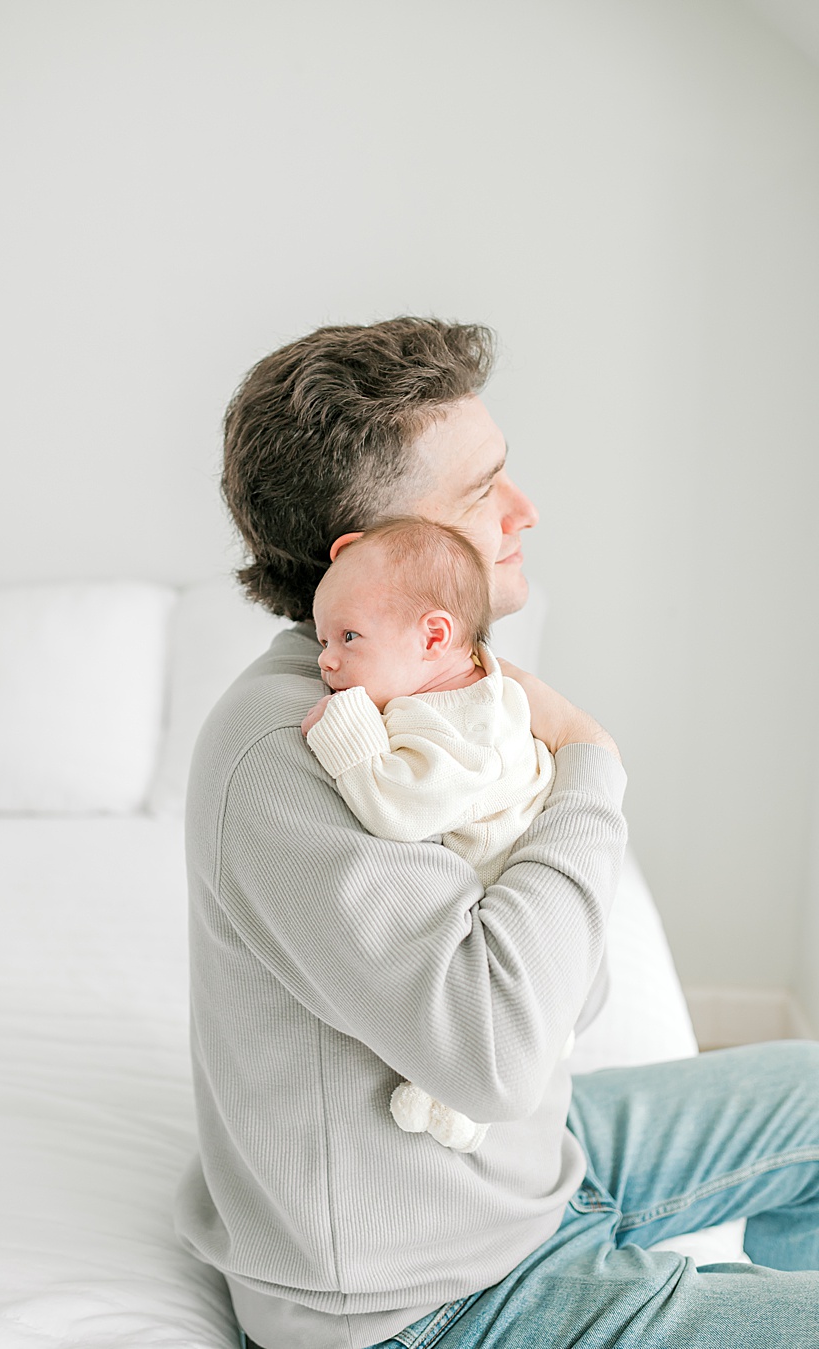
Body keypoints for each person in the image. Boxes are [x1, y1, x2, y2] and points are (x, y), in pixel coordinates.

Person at [176, 317, 819, 1349]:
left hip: (519, 1169)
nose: (525, 510)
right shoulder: (297, 754)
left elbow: (573, 995)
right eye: (481, 493)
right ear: (371, 558)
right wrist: (590, 766)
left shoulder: (432, 696)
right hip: (427, 1297)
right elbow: (499, 1051)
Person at [300, 517, 557, 1154]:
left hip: (506, 911)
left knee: (468, 1017)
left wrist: (348, 736)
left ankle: (456, 1097)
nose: (326, 658)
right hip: (497, 898)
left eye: (349, 637)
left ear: (433, 637)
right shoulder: (459, 685)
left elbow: (400, 807)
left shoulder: (463, 726)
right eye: (322, 638)